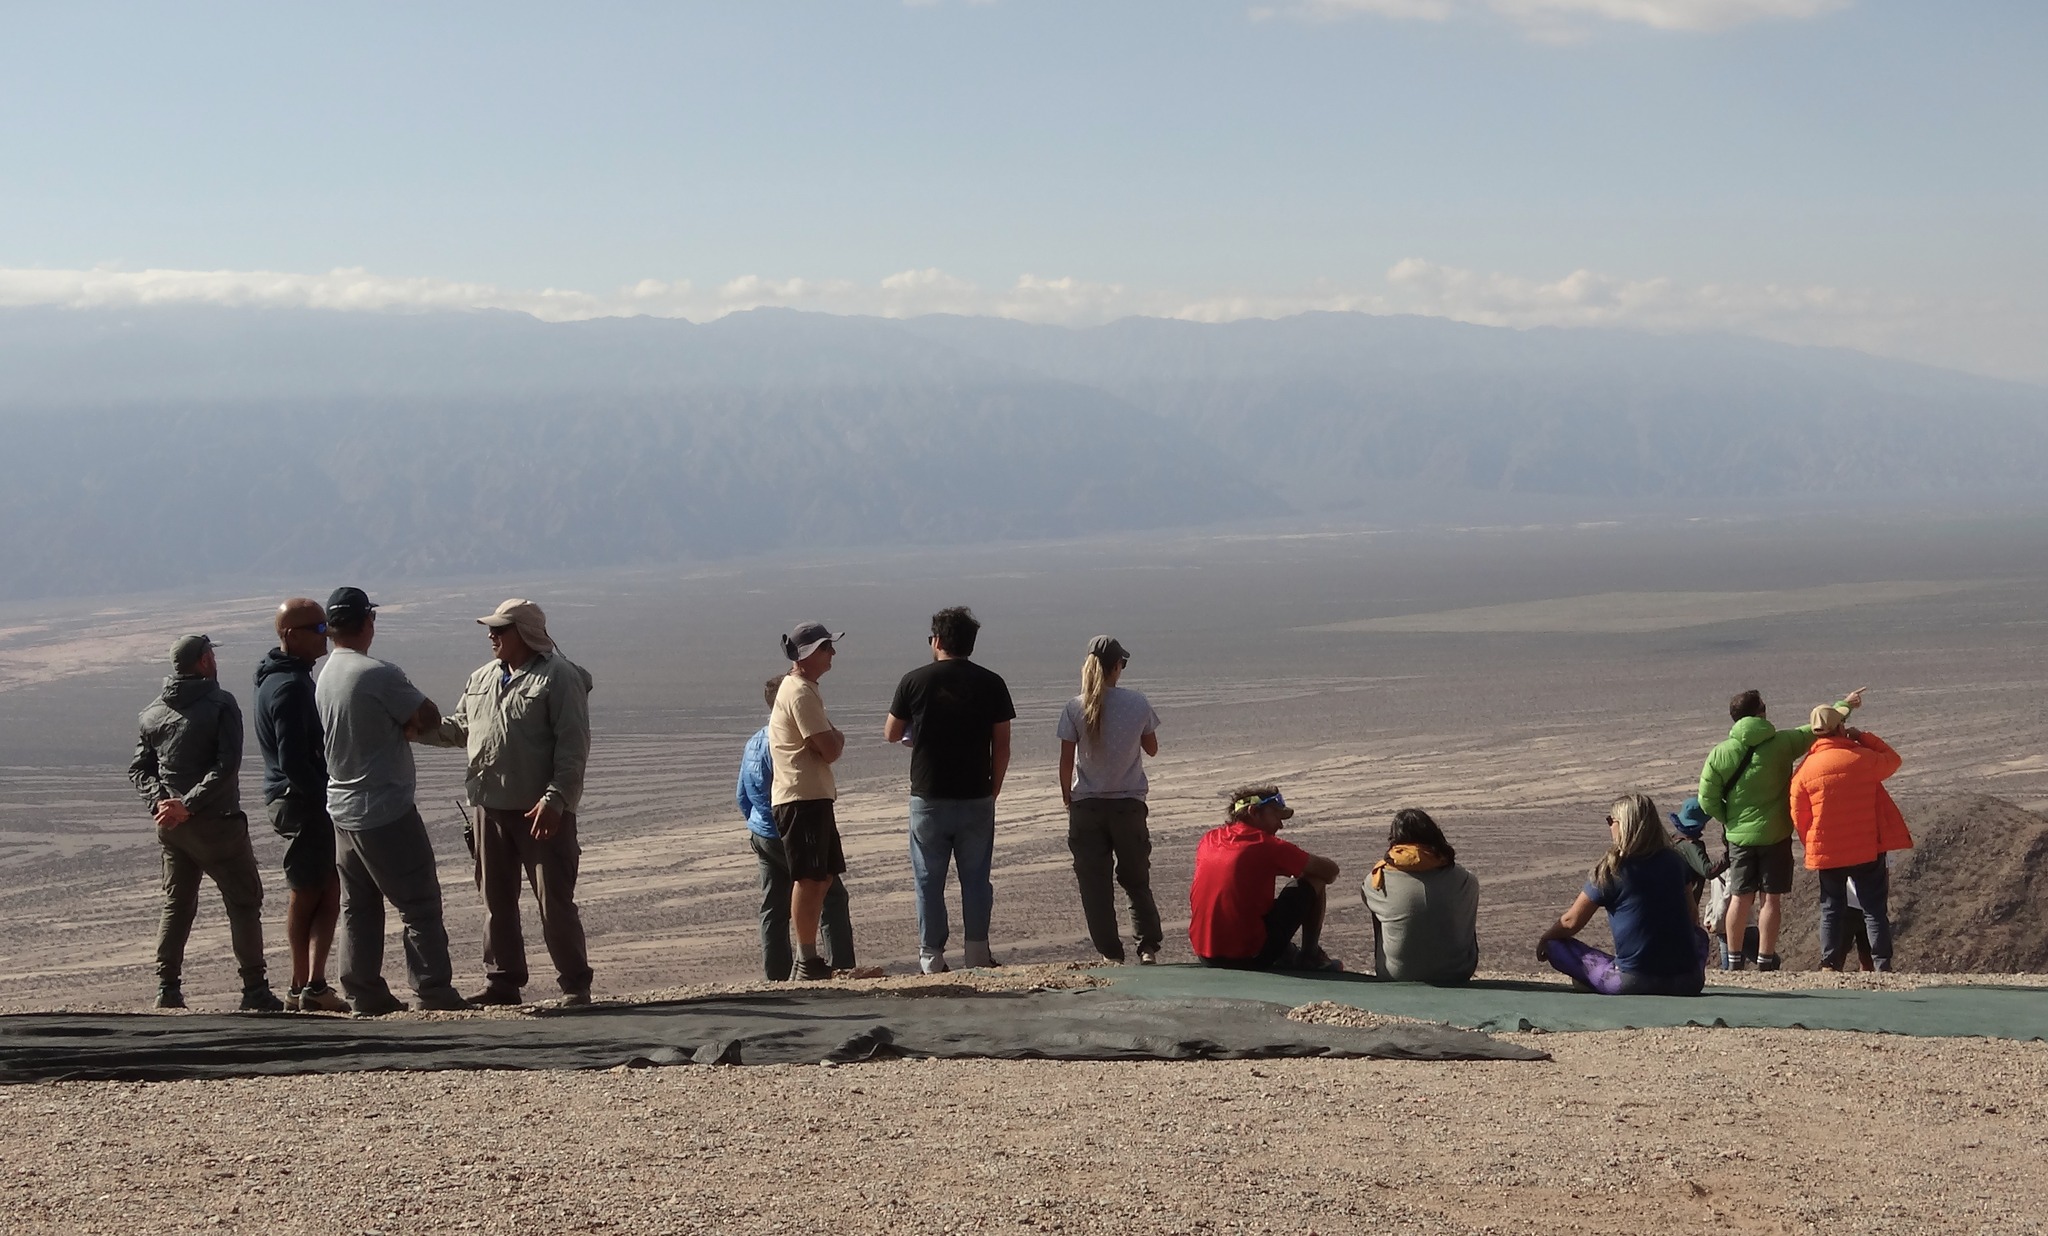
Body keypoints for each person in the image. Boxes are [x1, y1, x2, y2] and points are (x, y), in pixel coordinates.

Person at [418, 599, 596, 1006]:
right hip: (489, 807)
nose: (491, 636)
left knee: (554, 901)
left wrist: (557, 799)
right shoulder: (481, 678)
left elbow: (573, 746)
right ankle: (502, 982)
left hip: (540, 812)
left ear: (526, 632)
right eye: (492, 629)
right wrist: (414, 727)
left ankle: (574, 984)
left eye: (501, 629)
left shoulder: (559, 677)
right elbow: (460, 728)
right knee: (496, 901)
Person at [315, 587, 469, 1014]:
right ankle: (433, 991)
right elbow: (431, 716)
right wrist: (408, 723)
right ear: (368, 623)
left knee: (358, 906)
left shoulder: (327, 672)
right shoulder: (377, 673)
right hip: (384, 809)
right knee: (419, 904)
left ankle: (363, 993)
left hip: (343, 810)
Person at [128, 634, 283, 1012]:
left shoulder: (152, 712)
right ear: (202, 662)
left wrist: (163, 806)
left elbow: (139, 769)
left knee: (177, 903)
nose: (215, 660)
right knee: (244, 901)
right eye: (211, 654)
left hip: (174, 829)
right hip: (218, 826)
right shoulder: (220, 703)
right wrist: (187, 804)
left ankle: (167, 987)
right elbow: (226, 765)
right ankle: (255, 989)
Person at [884, 607, 1016, 974]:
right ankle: (977, 953)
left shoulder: (914, 681)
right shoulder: (992, 682)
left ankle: (931, 957)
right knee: (976, 878)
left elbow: (891, 732)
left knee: (928, 879)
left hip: (928, 797)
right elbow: (1002, 744)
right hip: (976, 796)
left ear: (938, 641)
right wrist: (994, 788)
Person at [1698, 686, 1865, 971]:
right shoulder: (1783, 743)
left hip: (1739, 836)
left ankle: (1735, 961)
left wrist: (1730, 818)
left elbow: (1706, 799)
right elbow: (1820, 726)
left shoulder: (1720, 754)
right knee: (1770, 898)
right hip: (1775, 834)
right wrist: (1846, 704)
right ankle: (1765, 960)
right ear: (1760, 713)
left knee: (1740, 895)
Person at [253, 599, 349, 1013]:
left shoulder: (279, 678)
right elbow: (294, 760)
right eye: (316, 627)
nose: (325, 634)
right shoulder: (290, 687)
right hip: (302, 801)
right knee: (309, 889)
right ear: (291, 635)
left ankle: (311, 984)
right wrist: (325, 797)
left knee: (325, 885)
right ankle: (304, 986)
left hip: (295, 798)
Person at [1056, 635, 1163, 965]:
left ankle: (1110, 954)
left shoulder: (1075, 707)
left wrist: (1067, 797)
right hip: (1128, 804)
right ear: (1117, 666)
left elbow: (1065, 760)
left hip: (1086, 805)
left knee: (1094, 885)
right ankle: (1147, 948)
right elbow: (1152, 748)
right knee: (1136, 879)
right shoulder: (1137, 703)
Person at [740, 677, 856, 980]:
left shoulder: (753, 742)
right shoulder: (782, 742)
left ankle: (776, 977)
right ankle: (839, 964)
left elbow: (743, 794)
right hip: (788, 829)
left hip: (762, 833)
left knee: (773, 907)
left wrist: (757, 827)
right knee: (829, 894)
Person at [1538, 792, 1710, 996]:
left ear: (1624, 825)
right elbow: (1693, 918)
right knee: (1699, 936)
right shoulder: (1677, 862)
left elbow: (1570, 922)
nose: (1610, 826)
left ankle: (1597, 979)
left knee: (1555, 944)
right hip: (1688, 982)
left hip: (1631, 982)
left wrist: (1544, 940)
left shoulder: (1612, 869)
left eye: (1611, 820)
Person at [1790, 706, 1913, 973]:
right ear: (1840, 728)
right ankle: (1882, 964)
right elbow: (1893, 759)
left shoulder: (1805, 770)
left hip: (1829, 852)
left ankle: (1829, 963)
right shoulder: (1861, 758)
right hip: (1867, 848)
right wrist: (1864, 737)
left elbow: (1799, 815)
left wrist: (1812, 843)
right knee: (1873, 909)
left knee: (1831, 908)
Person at [770, 621, 850, 982]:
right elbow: (831, 748)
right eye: (825, 648)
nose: (832, 653)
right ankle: (805, 960)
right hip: (800, 798)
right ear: (807, 654)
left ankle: (809, 958)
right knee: (808, 877)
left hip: (813, 797)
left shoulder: (805, 690)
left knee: (823, 876)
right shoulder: (800, 693)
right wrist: (835, 736)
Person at [1187, 784, 1342, 971]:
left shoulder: (1208, 839)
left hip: (1205, 955)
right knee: (1314, 880)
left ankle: (1286, 952)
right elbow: (1330, 871)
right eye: (1276, 815)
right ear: (1254, 812)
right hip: (1247, 958)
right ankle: (1310, 956)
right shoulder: (1267, 845)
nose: (1280, 824)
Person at [1361, 808, 1478, 984]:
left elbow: (1366, 896)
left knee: (1379, 908)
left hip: (1398, 974)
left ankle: (1386, 960)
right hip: (1457, 972)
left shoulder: (1377, 879)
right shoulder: (1466, 879)